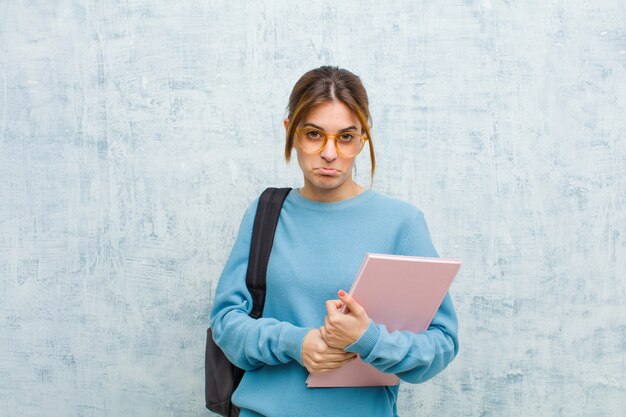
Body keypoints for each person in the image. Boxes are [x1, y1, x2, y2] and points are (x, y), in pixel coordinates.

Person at [210, 65, 459, 417]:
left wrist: (368, 339)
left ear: (363, 138)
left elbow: (441, 345)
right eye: (314, 134)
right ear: (291, 133)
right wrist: (296, 343)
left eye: (345, 137)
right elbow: (226, 322)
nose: (329, 153)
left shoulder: (403, 224)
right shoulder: (266, 213)